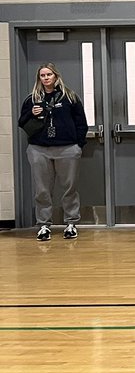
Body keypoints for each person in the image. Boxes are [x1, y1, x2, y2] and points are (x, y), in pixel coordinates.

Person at [19, 63, 88, 241]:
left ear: (56, 76)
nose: (46, 78)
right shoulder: (32, 99)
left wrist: (78, 145)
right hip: (39, 149)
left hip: (67, 148)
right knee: (42, 190)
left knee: (69, 188)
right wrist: (31, 114)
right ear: (39, 78)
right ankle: (43, 225)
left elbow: (81, 122)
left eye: (49, 74)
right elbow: (22, 122)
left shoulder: (69, 97)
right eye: (42, 75)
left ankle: (71, 223)